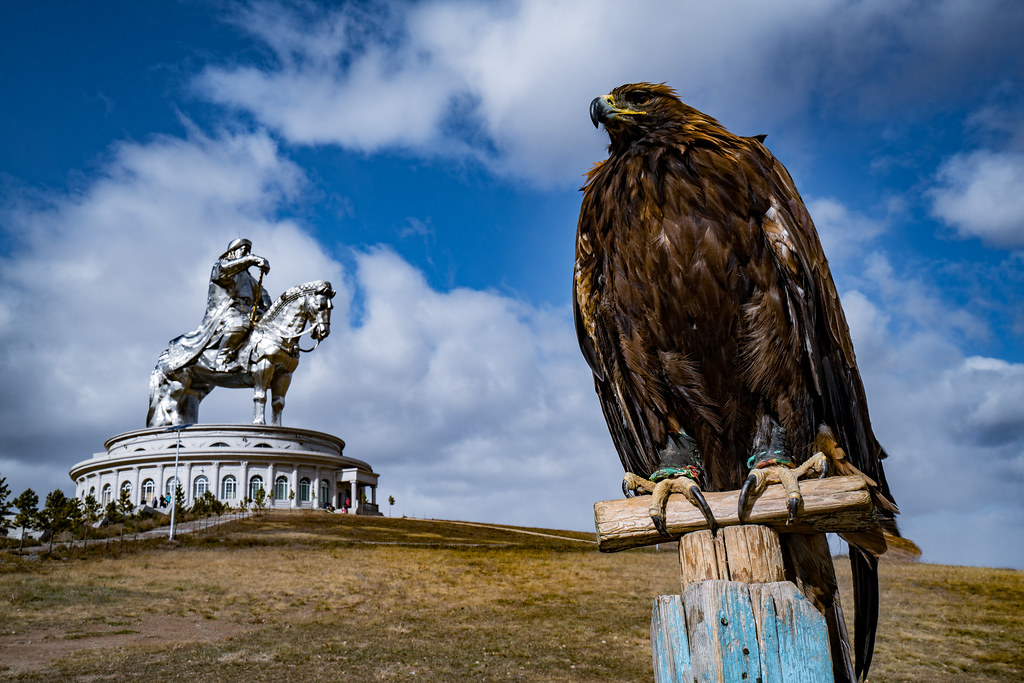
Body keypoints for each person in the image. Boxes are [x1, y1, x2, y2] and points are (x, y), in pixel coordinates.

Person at [161, 238, 272, 372]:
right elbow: (224, 272)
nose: (247, 254)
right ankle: (221, 360)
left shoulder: (250, 279)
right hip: (229, 312)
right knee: (239, 324)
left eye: (249, 252)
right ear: (234, 252)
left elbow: (263, 295)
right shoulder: (221, 266)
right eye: (244, 251)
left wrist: (268, 309)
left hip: (249, 313)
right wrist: (252, 260)